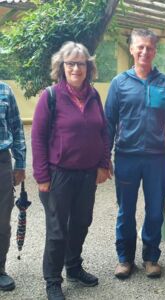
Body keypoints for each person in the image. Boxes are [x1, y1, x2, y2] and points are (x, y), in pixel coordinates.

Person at [31, 42, 111, 300]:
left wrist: (103, 163)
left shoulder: (94, 95)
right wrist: (42, 176)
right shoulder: (50, 96)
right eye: (71, 63)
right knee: (57, 230)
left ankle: (74, 267)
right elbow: (38, 138)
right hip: (58, 175)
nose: (76, 68)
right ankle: (53, 280)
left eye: (81, 63)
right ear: (61, 67)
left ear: (89, 67)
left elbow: (103, 132)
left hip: (87, 173)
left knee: (81, 223)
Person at [105, 29, 165, 280]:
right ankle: (125, 259)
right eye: (140, 47)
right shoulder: (119, 83)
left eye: (149, 48)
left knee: (155, 211)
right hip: (126, 156)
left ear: (155, 51)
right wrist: (104, 156)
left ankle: (151, 258)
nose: (144, 51)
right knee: (125, 210)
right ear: (131, 49)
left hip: (157, 158)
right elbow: (109, 122)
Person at [0, 82, 26, 292]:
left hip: (1, 162)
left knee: (2, 221)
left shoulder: (5, 90)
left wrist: (20, 164)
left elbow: (17, 129)